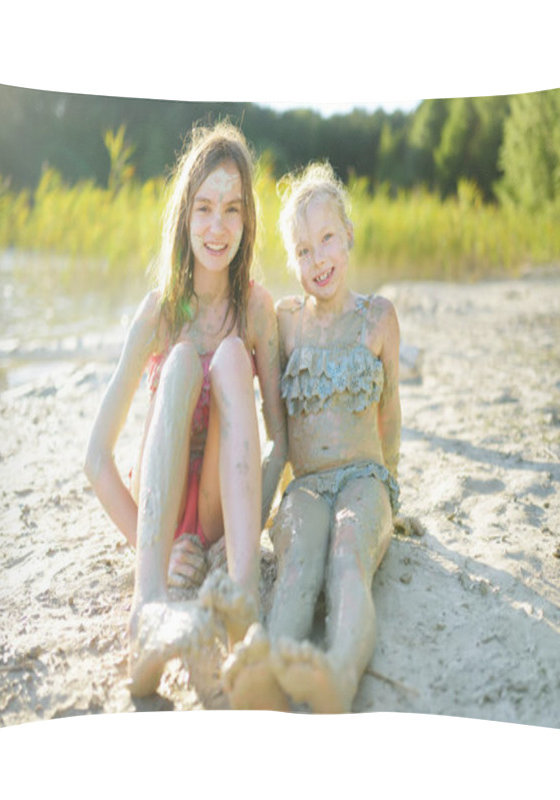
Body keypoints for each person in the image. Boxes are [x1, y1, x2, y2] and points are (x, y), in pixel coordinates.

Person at [84, 121, 286, 697]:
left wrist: (242, 535)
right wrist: (155, 543)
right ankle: (145, 610)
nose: (217, 226)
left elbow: (281, 445)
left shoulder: (256, 311)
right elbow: (96, 457)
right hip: (168, 516)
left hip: (224, 511)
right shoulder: (158, 313)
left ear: (247, 222)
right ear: (185, 215)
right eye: (204, 208)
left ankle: (242, 595)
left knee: (226, 360)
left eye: (232, 210)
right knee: (179, 366)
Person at [222, 161, 402, 712]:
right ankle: (272, 667)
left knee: (348, 556)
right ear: (292, 260)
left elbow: (390, 413)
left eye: (327, 239)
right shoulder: (287, 321)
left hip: (364, 480)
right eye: (303, 249)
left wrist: (393, 489)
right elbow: (274, 427)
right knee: (299, 561)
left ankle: (339, 674)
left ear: (348, 236)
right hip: (305, 486)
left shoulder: (378, 318)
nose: (318, 258)